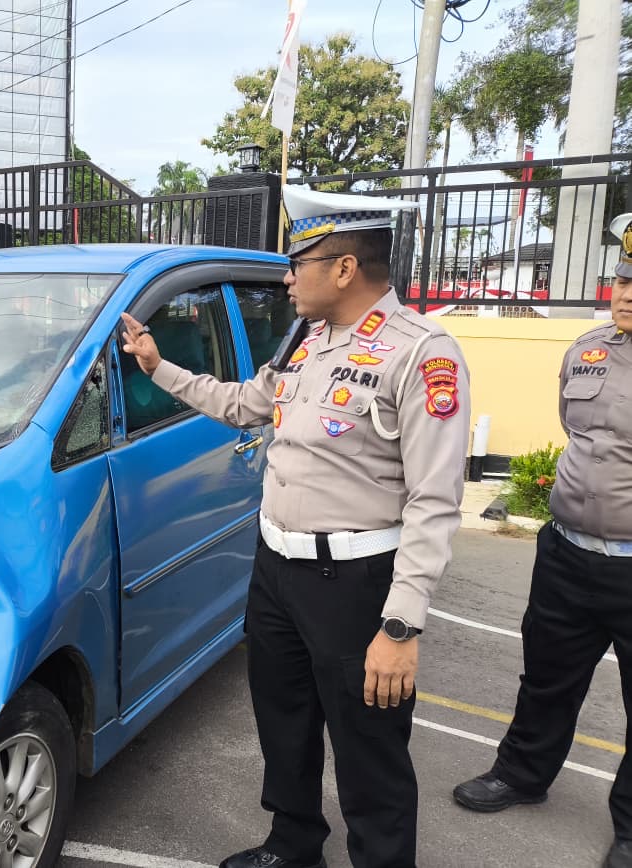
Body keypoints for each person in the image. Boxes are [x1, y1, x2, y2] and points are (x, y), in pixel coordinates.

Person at [121, 185, 471, 868]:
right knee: (284, 723)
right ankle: (293, 844)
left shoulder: (422, 354)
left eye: (297, 261)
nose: (286, 277)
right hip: (277, 569)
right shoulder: (308, 343)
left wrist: (400, 627)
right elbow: (245, 403)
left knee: (370, 749)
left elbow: (435, 501)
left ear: (343, 267)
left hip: (356, 583)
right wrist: (159, 368)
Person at [453, 213, 632, 868]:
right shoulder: (585, 350)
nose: (627, 291)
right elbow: (577, 430)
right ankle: (522, 776)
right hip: (566, 553)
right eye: (622, 278)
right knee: (547, 679)